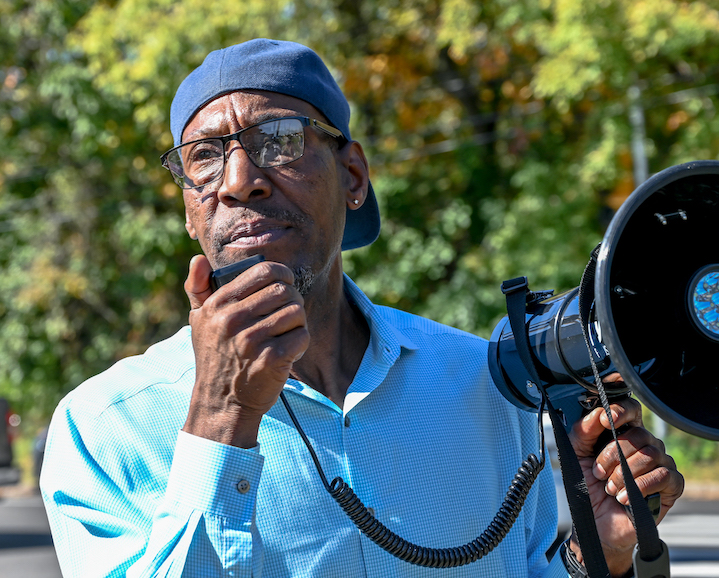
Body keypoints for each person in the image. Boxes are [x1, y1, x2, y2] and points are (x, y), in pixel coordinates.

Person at [40, 38, 684, 578]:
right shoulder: (101, 429)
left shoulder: (485, 383)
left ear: (352, 177)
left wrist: (600, 554)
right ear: (188, 208)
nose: (239, 180)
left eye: (280, 139)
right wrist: (220, 417)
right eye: (204, 157)